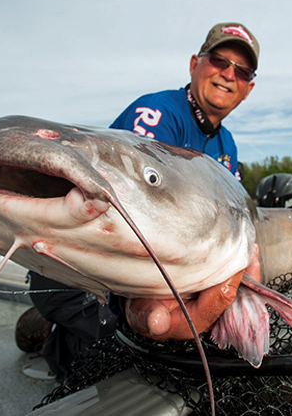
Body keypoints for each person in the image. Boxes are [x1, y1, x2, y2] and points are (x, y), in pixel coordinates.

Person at [19, 22, 259, 380]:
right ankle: (55, 337)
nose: (228, 74)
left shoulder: (228, 145)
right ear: (195, 63)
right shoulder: (157, 114)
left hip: (136, 273)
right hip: (74, 278)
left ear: (249, 88)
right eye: (219, 61)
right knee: (126, 354)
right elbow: (133, 215)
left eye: (241, 71)